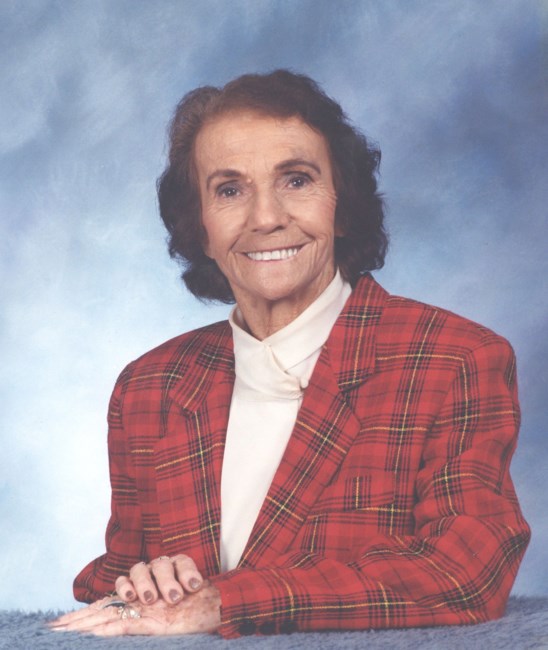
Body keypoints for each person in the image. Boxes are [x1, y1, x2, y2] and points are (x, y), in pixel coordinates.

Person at [50, 70, 530, 638]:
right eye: (229, 190)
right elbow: (116, 581)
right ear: (200, 227)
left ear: (341, 206)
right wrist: (143, 585)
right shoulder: (148, 387)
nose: (266, 217)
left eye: (296, 180)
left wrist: (225, 602)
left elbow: (466, 573)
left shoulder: (455, 360)